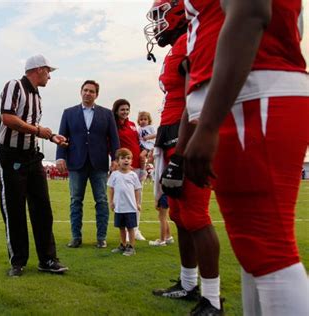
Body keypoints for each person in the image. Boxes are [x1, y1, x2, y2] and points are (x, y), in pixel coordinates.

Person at [184, 0, 309, 314]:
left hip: (256, 89)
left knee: (268, 251)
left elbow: (252, 10)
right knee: (255, 253)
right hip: (252, 89)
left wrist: (210, 123)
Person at [144, 1, 222, 315]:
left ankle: (213, 300)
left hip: (185, 133)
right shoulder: (178, 44)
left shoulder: (194, 36)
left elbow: (194, 95)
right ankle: (188, 284)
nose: (157, 23)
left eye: (160, 15)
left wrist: (179, 152)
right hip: (171, 132)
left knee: (195, 214)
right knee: (178, 213)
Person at [0, 54, 69, 277]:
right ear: (38, 70)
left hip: (31, 155)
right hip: (10, 155)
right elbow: (8, 118)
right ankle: (18, 261)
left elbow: (32, 126)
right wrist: (38, 131)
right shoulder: (14, 85)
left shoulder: (36, 96)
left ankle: (47, 258)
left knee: (43, 209)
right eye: (48, 71)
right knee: (14, 210)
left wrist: (50, 136)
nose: (49, 76)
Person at [56, 80, 120, 248]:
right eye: (85, 90)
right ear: (80, 92)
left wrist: (115, 159)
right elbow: (62, 137)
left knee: (101, 200)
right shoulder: (68, 113)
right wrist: (60, 157)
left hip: (99, 164)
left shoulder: (107, 114)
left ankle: (101, 238)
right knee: (75, 201)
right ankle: (76, 237)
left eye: (91, 91)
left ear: (96, 95)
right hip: (76, 164)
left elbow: (114, 139)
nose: (88, 93)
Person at [111, 99, 146, 241]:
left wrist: (144, 152)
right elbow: (112, 145)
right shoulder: (113, 126)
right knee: (125, 199)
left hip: (137, 165)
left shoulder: (132, 125)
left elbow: (139, 143)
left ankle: (136, 229)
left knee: (137, 198)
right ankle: (125, 230)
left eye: (127, 109)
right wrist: (119, 164)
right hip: (124, 168)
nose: (125, 112)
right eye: (122, 109)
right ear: (116, 111)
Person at [108, 148, 142, 256]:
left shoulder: (133, 175)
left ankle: (131, 247)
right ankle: (122, 244)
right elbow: (111, 189)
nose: (126, 160)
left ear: (131, 161)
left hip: (130, 207)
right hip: (119, 207)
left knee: (130, 228)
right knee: (121, 227)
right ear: (117, 161)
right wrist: (111, 202)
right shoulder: (114, 175)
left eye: (128, 158)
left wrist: (137, 203)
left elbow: (137, 190)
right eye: (123, 158)